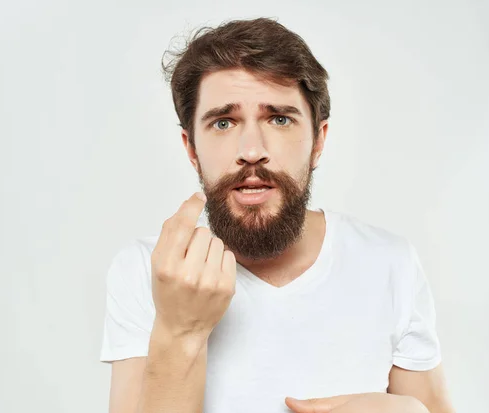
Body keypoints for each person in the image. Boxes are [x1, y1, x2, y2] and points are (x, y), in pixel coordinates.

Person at [100, 17, 455, 413]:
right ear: (191, 148)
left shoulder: (390, 263)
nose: (252, 150)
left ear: (319, 140)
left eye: (280, 119)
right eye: (223, 122)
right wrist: (179, 331)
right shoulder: (148, 271)